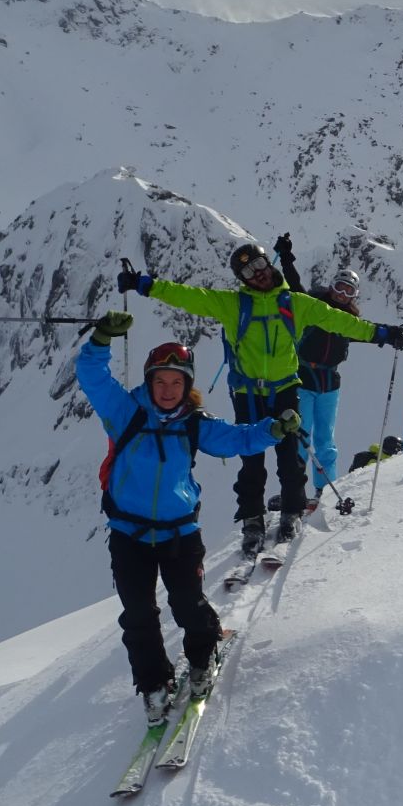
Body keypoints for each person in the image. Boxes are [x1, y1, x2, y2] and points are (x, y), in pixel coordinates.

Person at [119, 244, 403, 557]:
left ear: (269, 263)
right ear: (242, 278)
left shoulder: (294, 303)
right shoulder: (232, 304)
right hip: (247, 393)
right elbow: (189, 296)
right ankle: (252, 520)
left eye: (259, 264)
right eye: (248, 270)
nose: (258, 273)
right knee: (251, 460)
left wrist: (383, 333)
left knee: (289, 455)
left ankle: (292, 512)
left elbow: (340, 321)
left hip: (284, 389)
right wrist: (145, 285)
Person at [78, 309, 302, 722]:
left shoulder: (195, 424)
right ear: (149, 382)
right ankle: (152, 684)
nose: (167, 389)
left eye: (176, 381)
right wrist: (101, 339)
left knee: (187, 602)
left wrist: (272, 429)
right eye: (160, 381)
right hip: (129, 535)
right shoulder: (126, 412)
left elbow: (238, 438)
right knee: (138, 615)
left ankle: (203, 655)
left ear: (187, 386)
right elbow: (92, 375)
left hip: (180, 533)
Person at [272, 233, 382, 502]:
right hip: (304, 379)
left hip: (329, 383)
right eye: (339, 287)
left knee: (325, 440)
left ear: (354, 296)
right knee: (299, 434)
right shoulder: (313, 306)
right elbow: (294, 287)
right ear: (332, 286)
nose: (342, 294)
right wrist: (286, 256)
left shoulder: (349, 322)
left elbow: (376, 334)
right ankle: (294, 491)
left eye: (349, 291)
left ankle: (325, 490)